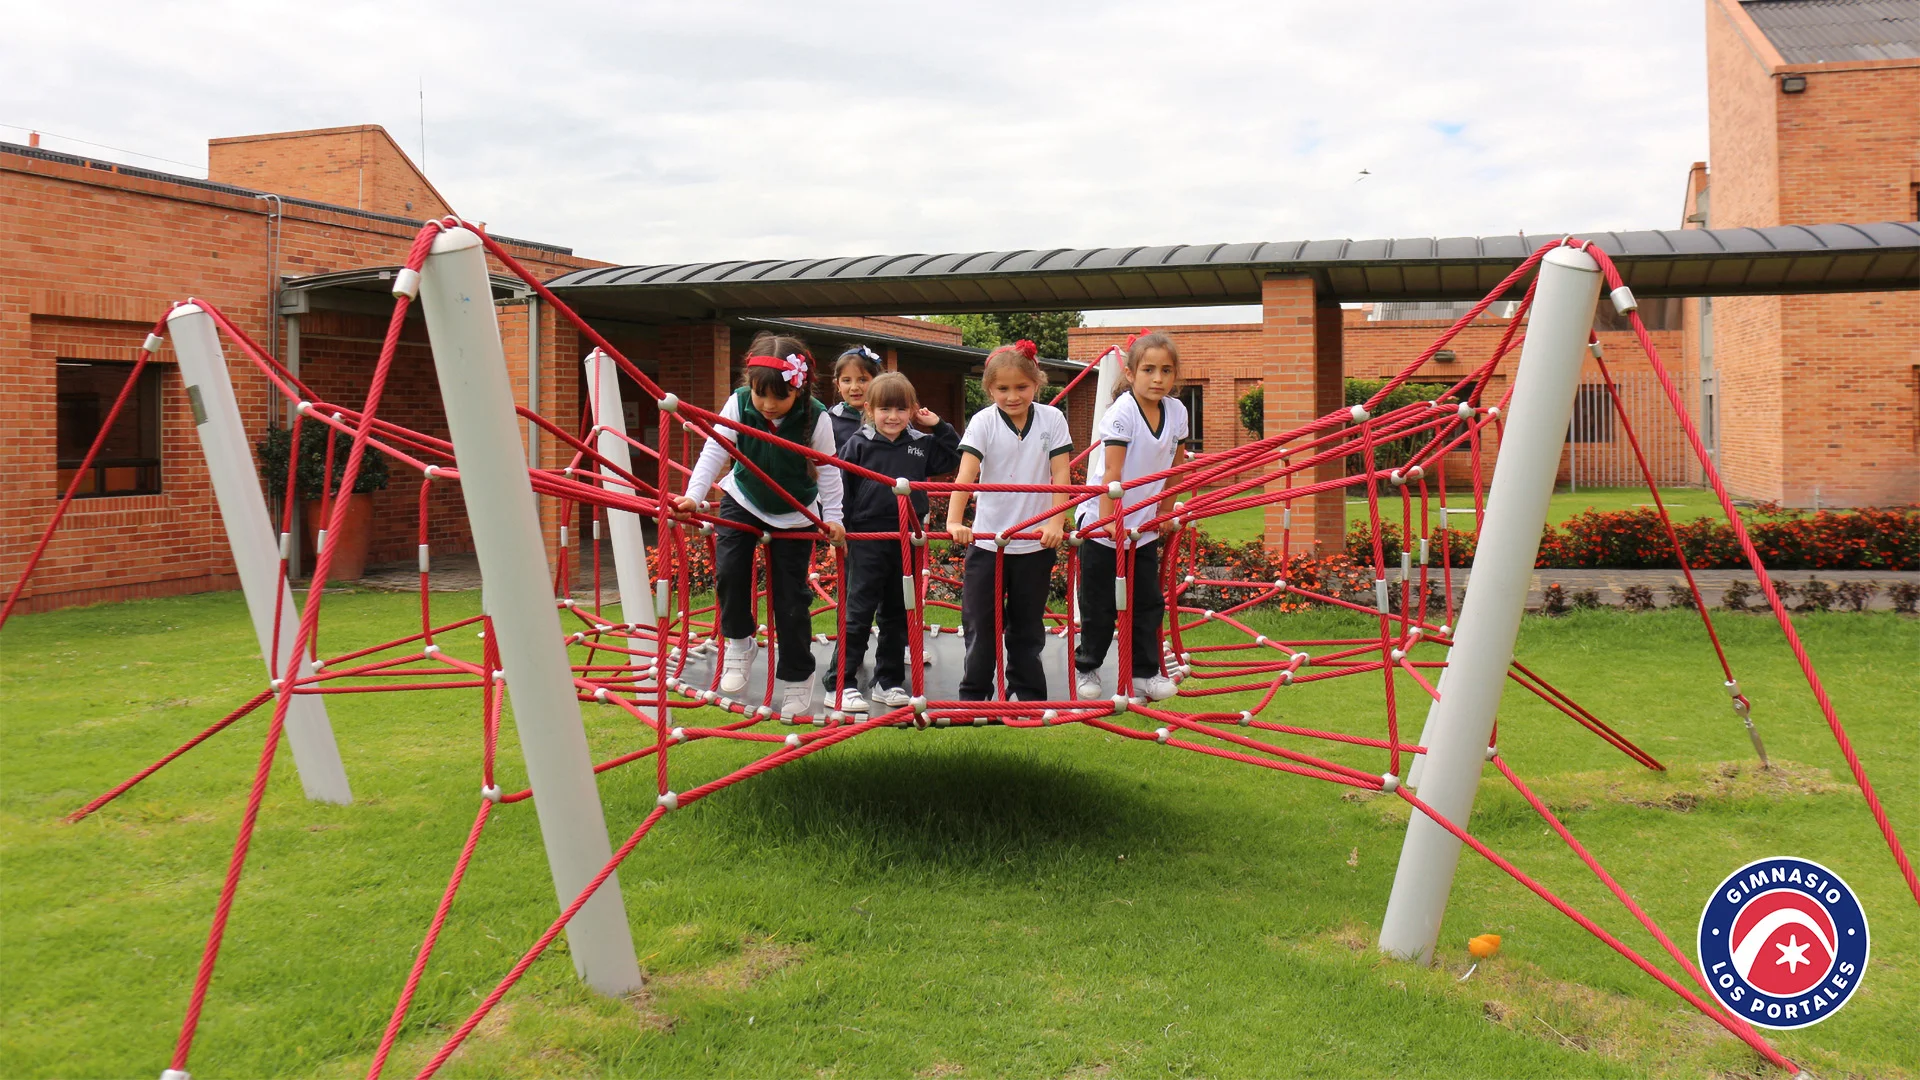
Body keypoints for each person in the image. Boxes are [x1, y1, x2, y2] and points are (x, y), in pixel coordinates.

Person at [673, 333, 845, 717]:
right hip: (744, 497)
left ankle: (799, 675)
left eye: (778, 397)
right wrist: (694, 496)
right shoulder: (737, 403)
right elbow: (716, 449)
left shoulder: (817, 416)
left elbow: (830, 473)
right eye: (760, 394)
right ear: (748, 386)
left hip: (795, 510)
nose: (767, 405)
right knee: (730, 571)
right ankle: (739, 641)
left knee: (791, 599)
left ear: (798, 390)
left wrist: (833, 519)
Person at [823, 372, 960, 713]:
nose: (893, 417)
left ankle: (888, 681)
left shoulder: (920, 444)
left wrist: (939, 424)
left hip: (907, 539)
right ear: (869, 409)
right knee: (858, 613)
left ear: (913, 410)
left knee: (898, 613)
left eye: (902, 409)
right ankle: (840, 683)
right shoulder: (857, 444)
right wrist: (840, 532)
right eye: (885, 409)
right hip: (868, 538)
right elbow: (841, 491)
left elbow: (954, 456)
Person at [946, 340, 1073, 703]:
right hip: (988, 543)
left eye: (1022, 387)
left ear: (1037, 383)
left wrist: (1055, 523)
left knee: (1027, 626)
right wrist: (955, 520)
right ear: (989, 389)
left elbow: (1060, 473)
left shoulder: (1052, 419)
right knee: (981, 624)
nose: (1013, 396)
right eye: (1002, 389)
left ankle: (1029, 694)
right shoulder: (984, 422)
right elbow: (966, 474)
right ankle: (974, 694)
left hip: (1034, 541)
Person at [1074, 332, 1188, 702]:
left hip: (1142, 527)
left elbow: (1175, 466)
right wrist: (1109, 521)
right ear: (1130, 372)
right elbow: (1112, 472)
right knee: (1099, 604)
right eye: (1149, 369)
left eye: (1166, 370)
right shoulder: (1122, 412)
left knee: (1147, 602)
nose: (1158, 378)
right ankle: (1087, 668)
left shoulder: (1177, 412)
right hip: (1101, 523)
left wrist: (1166, 510)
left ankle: (1145, 673)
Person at [828, 345, 883, 450]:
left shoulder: (890, 417)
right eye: (846, 380)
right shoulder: (830, 420)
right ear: (838, 385)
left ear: (877, 382)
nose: (854, 387)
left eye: (862, 380)